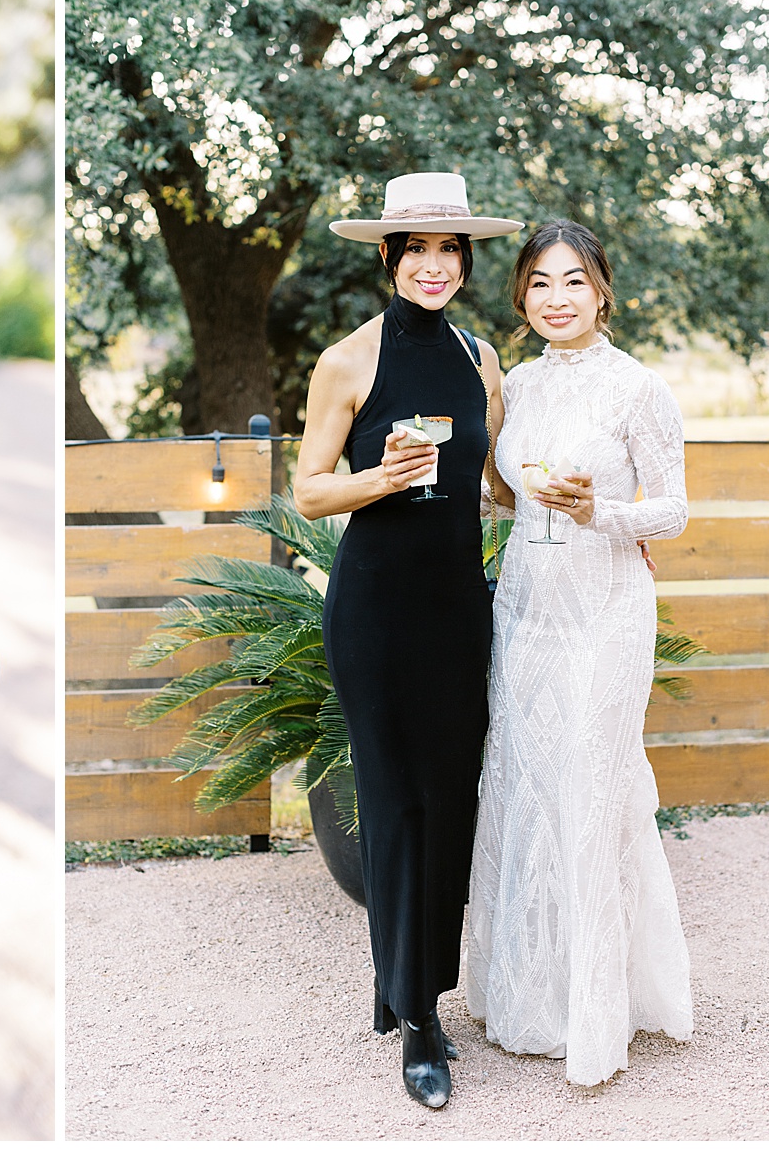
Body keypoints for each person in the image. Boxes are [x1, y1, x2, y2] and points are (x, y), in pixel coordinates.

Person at [298, 172, 519, 1110]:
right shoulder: (347, 361)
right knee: (394, 806)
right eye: (417, 249)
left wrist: (577, 499)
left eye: (449, 250)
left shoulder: (480, 359)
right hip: (377, 613)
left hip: (458, 609)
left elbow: (498, 481)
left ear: (465, 261)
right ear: (388, 255)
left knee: (450, 802)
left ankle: (407, 987)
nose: (434, 266)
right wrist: (380, 480)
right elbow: (309, 490)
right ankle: (418, 1019)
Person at [465, 220, 693, 1084]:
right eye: (539, 284)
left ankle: (599, 1010)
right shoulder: (517, 385)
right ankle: (525, 993)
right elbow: (507, 493)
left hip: (606, 608)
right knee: (527, 780)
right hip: (527, 605)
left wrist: (604, 515)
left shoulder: (639, 388)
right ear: (521, 297)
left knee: (594, 783)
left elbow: (672, 509)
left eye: (573, 282)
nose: (556, 299)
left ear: (602, 291)